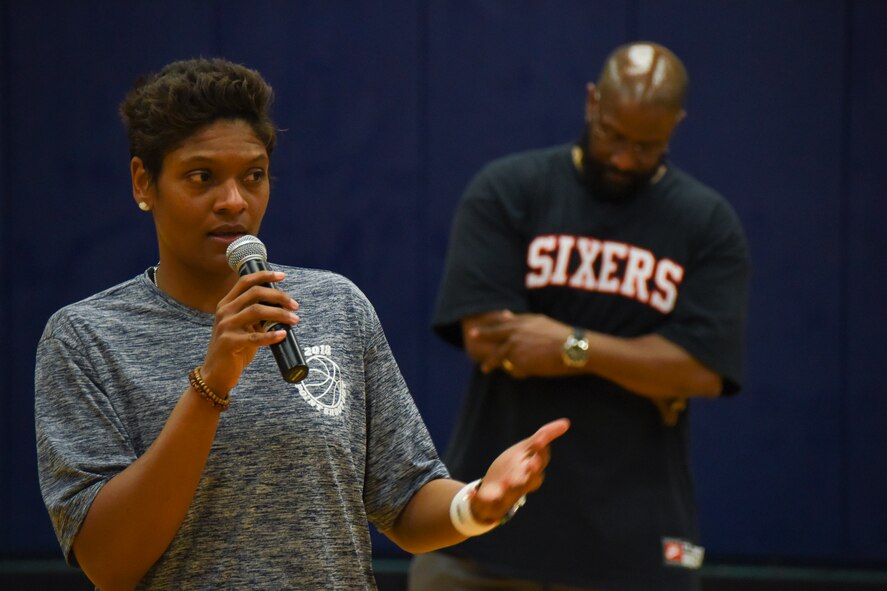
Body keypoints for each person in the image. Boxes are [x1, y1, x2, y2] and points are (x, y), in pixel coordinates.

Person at [34, 57, 570, 591]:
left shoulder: (335, 305)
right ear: (143, 182)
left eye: (253, 176)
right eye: (202, 177)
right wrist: (212, 383)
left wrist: (477, 503)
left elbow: (404, 499)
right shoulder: (85, 338)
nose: (233, 201)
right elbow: (108, 563)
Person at [409, 41, 751, 591]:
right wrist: (647, 362)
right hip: (484, 542)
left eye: (646, 146)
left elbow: (703, 371)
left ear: (676, 125)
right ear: (593, 102)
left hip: (635, 545)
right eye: (613, 135)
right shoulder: (510, 190)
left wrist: (572, 345)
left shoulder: (707, 223)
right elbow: (488, 338)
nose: (622, 158)